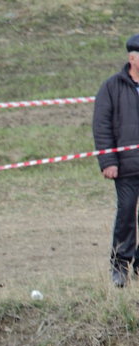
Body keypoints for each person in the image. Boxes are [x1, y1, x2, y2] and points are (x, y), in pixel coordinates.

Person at [92, 34, 139, 288]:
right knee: (126, 216)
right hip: (126, 167)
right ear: (132, 58)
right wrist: (108, 161)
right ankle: (119, 266)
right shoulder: (112, 87)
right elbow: (101, 126)